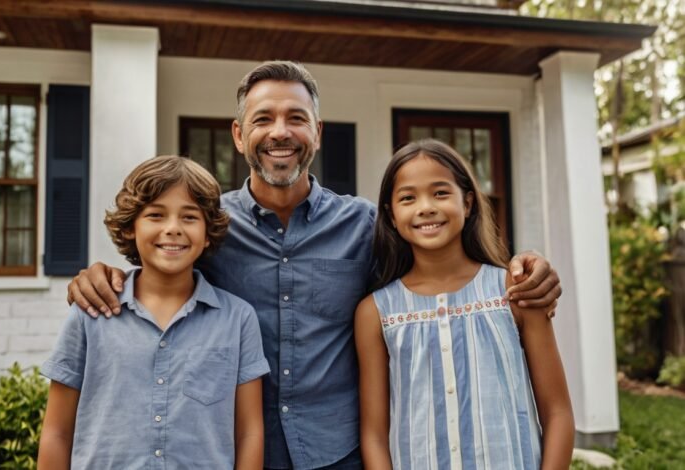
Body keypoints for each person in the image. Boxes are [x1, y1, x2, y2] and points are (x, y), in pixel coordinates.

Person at [66, 61, 563, 469]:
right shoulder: (210, 228)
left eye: (296, 118)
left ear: (317, 132)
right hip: (241, 450)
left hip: (341, 452)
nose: (279, 132)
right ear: (239, 135)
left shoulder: (367, 226)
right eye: (263, 119)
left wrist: (524, 266)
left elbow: (440, 264)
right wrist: (108, 275)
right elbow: (161, 270)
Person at [38, 156, 270, 469]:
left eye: (189, 217)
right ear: (131, 226)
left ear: (207, 231)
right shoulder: (90, 313)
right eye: (156, 215)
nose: (172, 229)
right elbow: (57, 432)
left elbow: (249, 433)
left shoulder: (238, 320)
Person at [355, 140, 574, 469]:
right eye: (408, 198)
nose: (426, 207)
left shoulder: (515, 292)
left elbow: (558, 413)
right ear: (391, 214)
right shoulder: (375, 313)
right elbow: (374, 434)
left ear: (468, 202)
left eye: (441, 193)